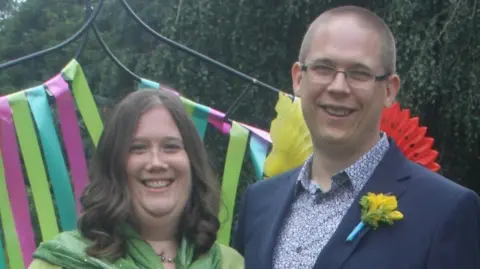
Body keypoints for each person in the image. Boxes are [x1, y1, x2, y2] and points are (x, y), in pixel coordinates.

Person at [232, 5, 480, 269]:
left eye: (359, 73)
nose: (338, 87)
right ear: (298, 78)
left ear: (389, 89)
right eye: (323, 68)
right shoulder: (259, 201)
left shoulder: (444, 211)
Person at [28, 89, 244, 269]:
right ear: (113, 165)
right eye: (137, 148)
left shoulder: (230, 264)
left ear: (192, 162)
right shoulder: (60, 263)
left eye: (171, 147)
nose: (156, 163)